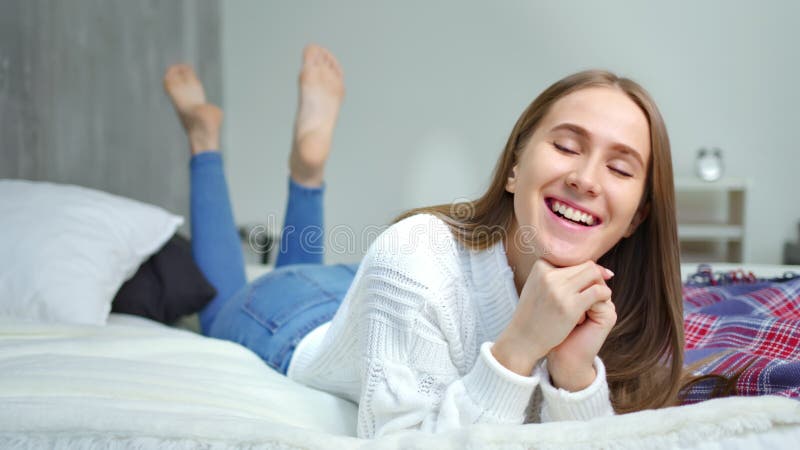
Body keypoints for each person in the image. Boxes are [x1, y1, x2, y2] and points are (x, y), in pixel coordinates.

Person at [163, 44, 684, 438]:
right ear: (515, 167)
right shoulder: (414, 254)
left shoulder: (616, 313)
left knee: (321, 272)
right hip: (293, 317)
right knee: (216, 309)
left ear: (638, 216)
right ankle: (207, 143)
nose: (587, 179)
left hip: (378, 295)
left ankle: (306, 170)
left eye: (619, 167)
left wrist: (574, 375)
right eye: (567, 146)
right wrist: (518, 349)